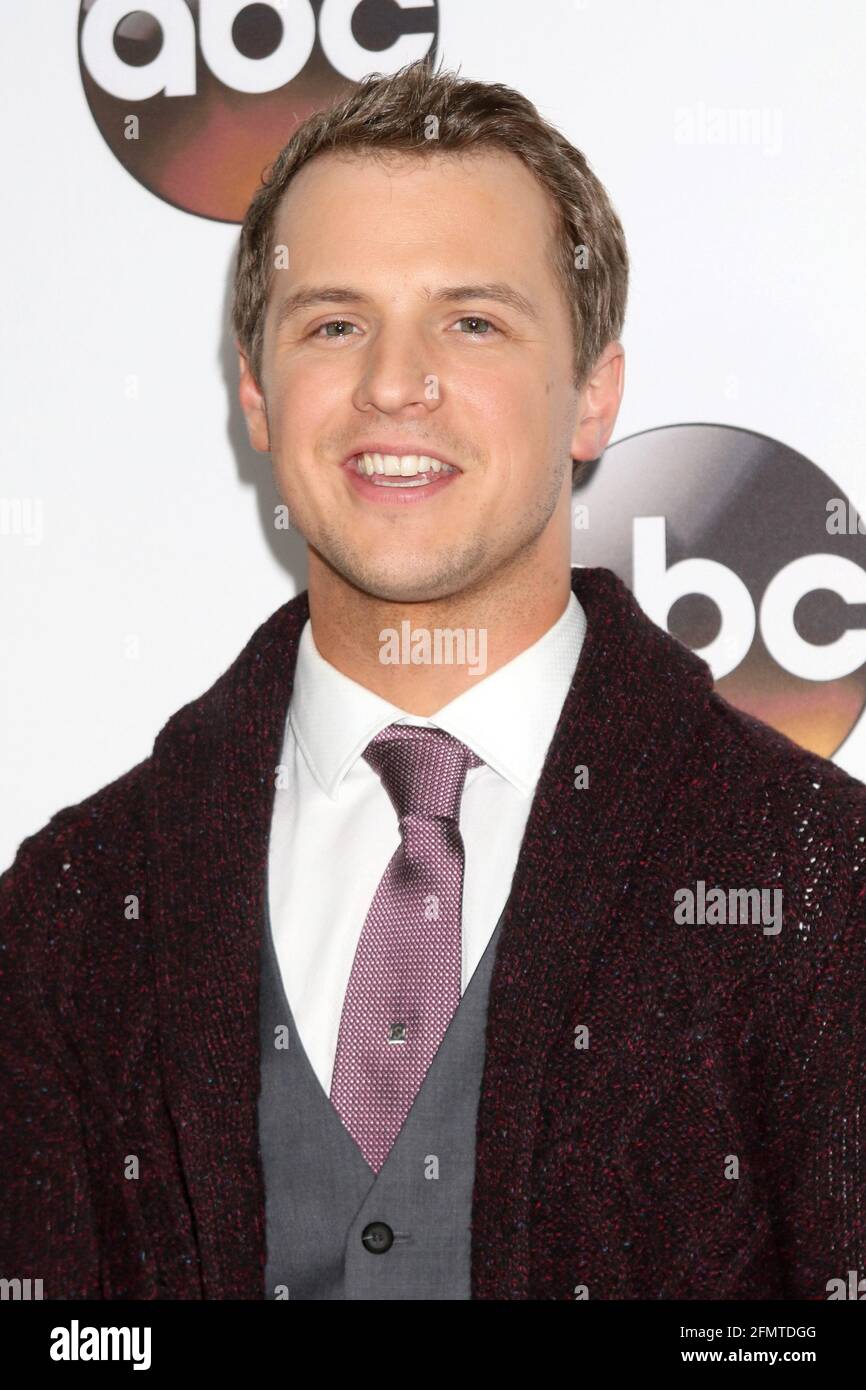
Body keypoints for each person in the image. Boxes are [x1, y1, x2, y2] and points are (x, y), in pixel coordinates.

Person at [1, 58, 864, 1302]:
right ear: (256, 393)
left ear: (592, 395)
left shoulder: (813, 880)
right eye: (334, 322)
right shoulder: (73, 908)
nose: (393, 384)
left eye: (471, 321)